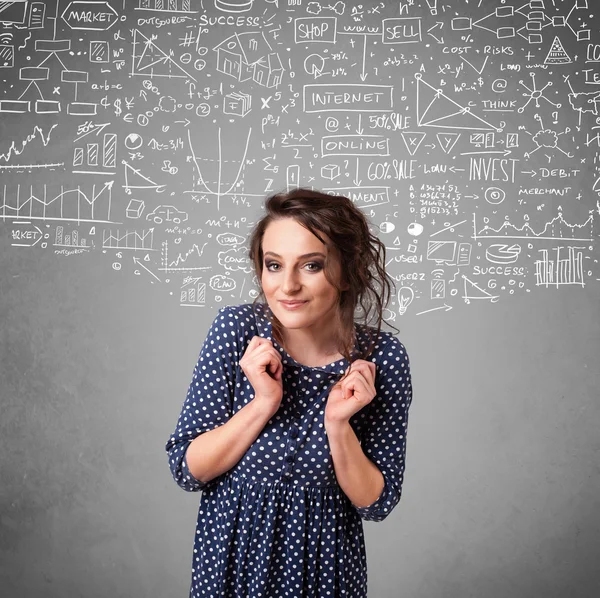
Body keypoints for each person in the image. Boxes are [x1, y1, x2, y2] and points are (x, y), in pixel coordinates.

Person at [165, 188, 414, 597]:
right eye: (274, 265)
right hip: (231, 567)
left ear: (347, 272)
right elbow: (188, 470)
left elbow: (376, 503)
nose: (288, 286)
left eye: (311, 266)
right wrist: (263, 403)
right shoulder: (236, 332)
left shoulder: (381, 360)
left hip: (325, 571)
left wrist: (338, 425)